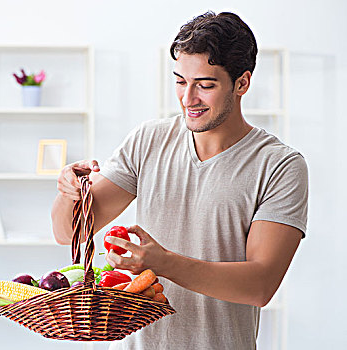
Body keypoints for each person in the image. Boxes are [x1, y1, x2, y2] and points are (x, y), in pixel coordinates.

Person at [51, 10, 308, 350]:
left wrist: (162, 263)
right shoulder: (149, 140)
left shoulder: (280, 165)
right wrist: (68, 191)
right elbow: (67, 232)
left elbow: (260, 286)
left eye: (205, 85)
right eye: (180, 81)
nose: (188, 99)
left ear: (242, 83)